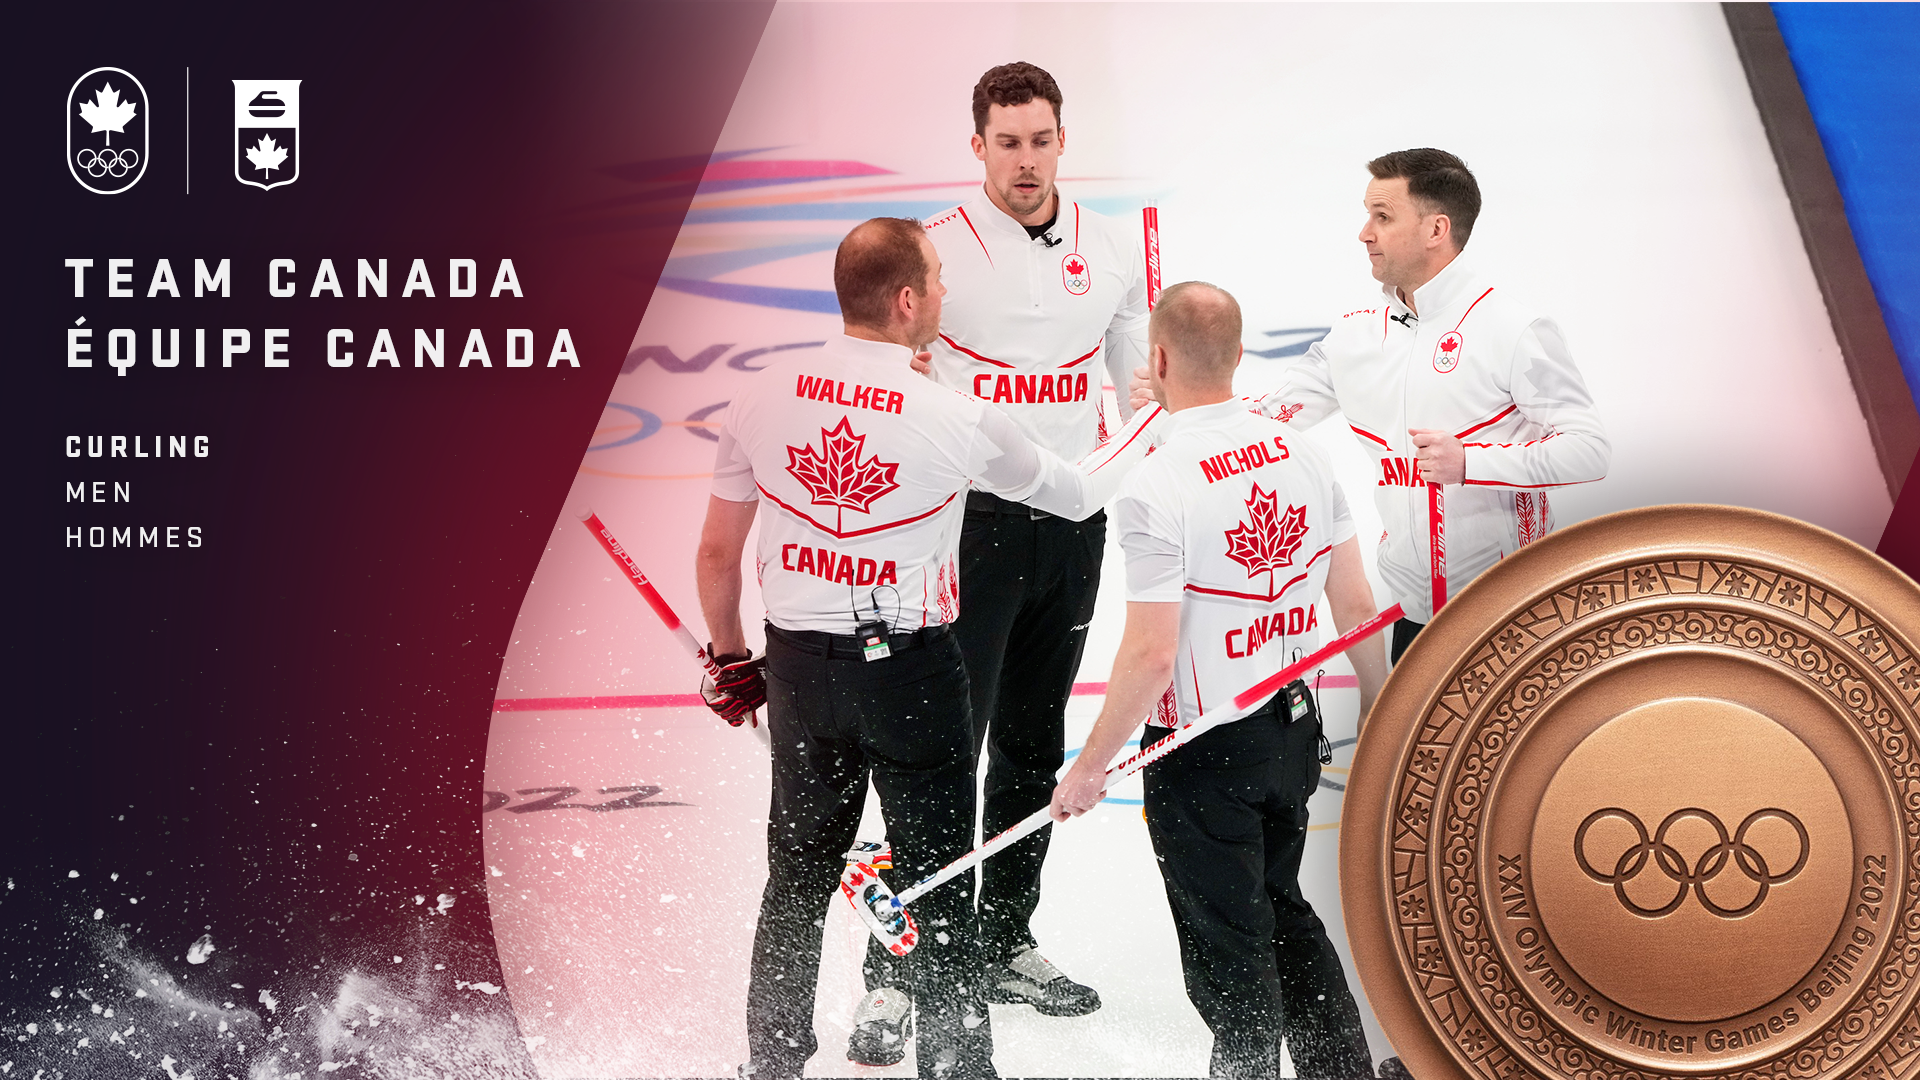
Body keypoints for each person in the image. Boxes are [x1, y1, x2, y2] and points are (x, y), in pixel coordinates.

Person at [695, 217, 1163, 1080]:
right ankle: (954, 1066)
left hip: (798, 666)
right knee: (938, 881)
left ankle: (770, 1064)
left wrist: (729, 663)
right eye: (940, 279)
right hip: (909, 669)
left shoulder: (760, 394)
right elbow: (1076, 495)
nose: (947, 292)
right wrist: (1152, 420)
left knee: (795, 882)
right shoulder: (956, 412)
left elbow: (719, 555)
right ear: (908, 301)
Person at [854, 60, 1151, 1056]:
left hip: (1070, 524)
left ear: (1063, 140)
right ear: (976, 146)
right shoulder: (932, 253)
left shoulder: (1111, 249)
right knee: (943, 748)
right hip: (963, 526)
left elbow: (1138, 394)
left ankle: (999, 940)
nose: (1026, 161)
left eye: (1041, 140)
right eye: (1007, 142)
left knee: (1030, 740)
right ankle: (897, 968)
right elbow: (880, 385)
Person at [1054, 281, 1386, 1079]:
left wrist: (1092, 763)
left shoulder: (1157, 482)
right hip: (1292, 730)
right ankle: (1339, 1069)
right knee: (1282, 909)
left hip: (1205, 749)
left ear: (1156, 360)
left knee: (1229, 946)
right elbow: (1354, 600)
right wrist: (1381, 702)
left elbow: (1150, 656)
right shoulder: (1303, 449)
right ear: (1240, 357)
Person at [1134, 148, 1609, 666]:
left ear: (1436, 230)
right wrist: (1178, 402)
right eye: (1367, 215)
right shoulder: (1355, 334)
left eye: (1382, 217)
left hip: (1513, 618)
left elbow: (1588, 450)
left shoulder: (1513, 328)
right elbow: (1267, 420)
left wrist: (1470, 463)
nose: (1365, 233)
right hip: (1413, 622)